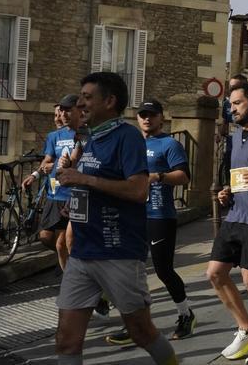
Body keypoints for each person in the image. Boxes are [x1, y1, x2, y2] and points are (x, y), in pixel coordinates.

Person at [54, 72, 177, 365]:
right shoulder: (87, 136)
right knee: (66, 339)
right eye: (80, 97)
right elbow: (94, 182)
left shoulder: (128, 136)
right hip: (82, 253)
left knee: (141, 332)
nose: (79, 103)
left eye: (87, 97)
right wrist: (76, 200)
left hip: (118, 252)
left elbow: (138, 189)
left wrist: (84, 177)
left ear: (109, 102)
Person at [106, 100, 195, 345]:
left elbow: (185, 177)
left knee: (163, 270)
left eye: (152, 115)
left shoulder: (170, 144)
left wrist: (159, 176)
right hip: (133, 216)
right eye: (143, 115)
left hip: (159, 216)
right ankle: (134, 325)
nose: (147, 119)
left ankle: (185, 314)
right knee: (130, 271)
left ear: (161, 118)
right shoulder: (132, 143)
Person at [206, 82, 248, 364]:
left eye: (237, 103)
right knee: (215, 273)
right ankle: (247, 329)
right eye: (230, 104)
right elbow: (233, 175)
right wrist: (225, 191)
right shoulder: (234, 137)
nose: (231, 109)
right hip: (235, 214)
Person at [23, 94, 80, 271]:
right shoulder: (54, 136)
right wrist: (35, 175)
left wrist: (66, 164)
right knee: (46, 236)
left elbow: (75, 160)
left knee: (64, 242)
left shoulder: (81, 134)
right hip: (54, 192)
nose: (61, 115)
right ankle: (68, 265)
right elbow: (48, 160)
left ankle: (71, 276)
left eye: (65, 111)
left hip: (71, 193)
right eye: (59, 112)